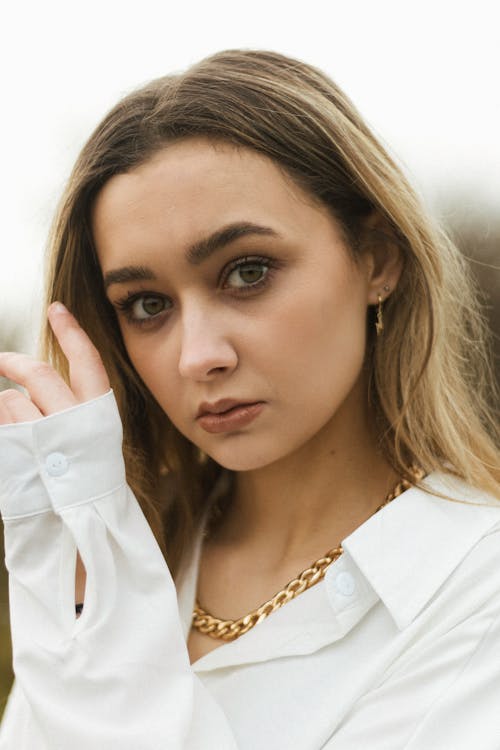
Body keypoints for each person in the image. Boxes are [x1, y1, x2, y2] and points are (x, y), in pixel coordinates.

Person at [0, 49, 499, 749]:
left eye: (248, 272)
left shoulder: (474, 593)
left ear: (377, 258)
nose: (199, 355)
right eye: (146, 304)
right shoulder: (115, 562)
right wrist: (96, 574)